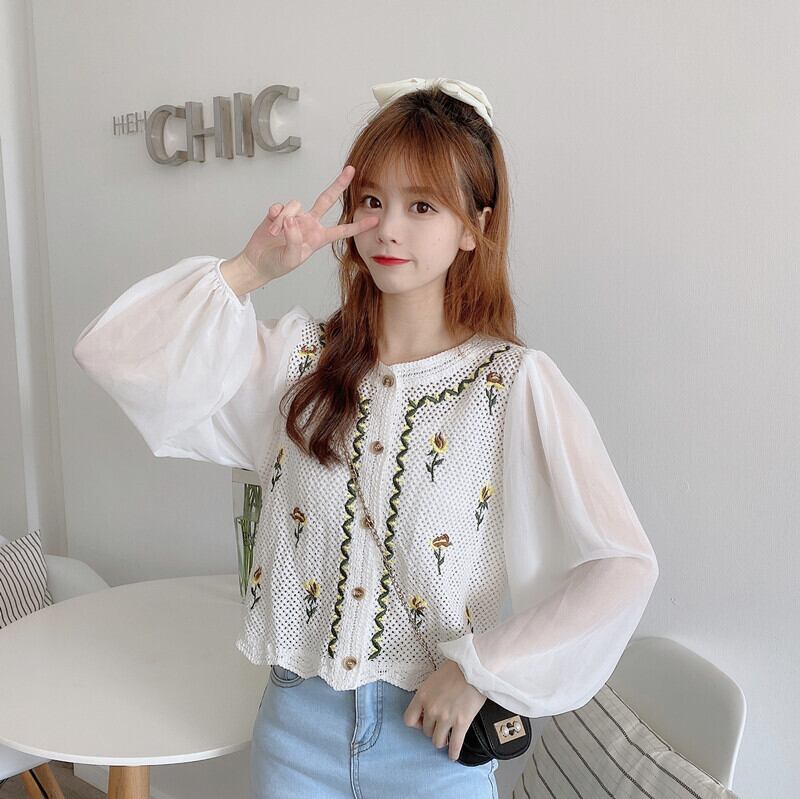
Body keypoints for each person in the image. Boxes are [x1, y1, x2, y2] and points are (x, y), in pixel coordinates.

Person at [73, 77, 659, 799]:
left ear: (474, 225)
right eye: (372, 200)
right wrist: (250, 270)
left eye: (422, 206)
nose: (388, 229)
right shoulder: (296, 362)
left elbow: (621, 564)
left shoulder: (510, 385)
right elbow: (117, 356)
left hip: (432, 747)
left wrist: (483, 670)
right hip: (295, 735)